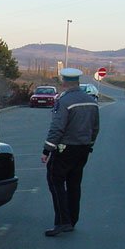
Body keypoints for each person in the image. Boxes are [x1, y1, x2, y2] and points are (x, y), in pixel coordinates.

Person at [41, 68, 100, 237]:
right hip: (83, 149)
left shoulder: (65, 101)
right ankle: (72, 219)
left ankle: (62, 221)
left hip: (65, 149)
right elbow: (95, 128)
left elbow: (57, 128)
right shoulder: (91, 101)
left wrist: (47, 150)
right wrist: (89, 144)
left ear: (65, 82)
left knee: (55, 181)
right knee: (74, 184)